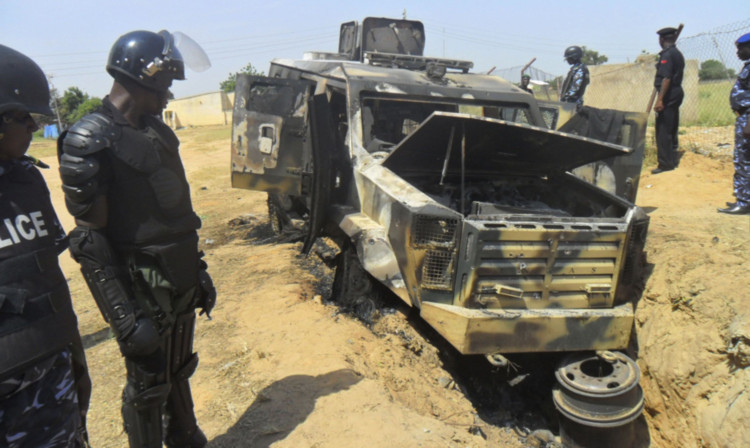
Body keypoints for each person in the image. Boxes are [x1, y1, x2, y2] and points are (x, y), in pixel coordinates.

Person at [58, 30, 215, 447]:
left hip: (176, 274)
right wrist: (124, 318)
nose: (169, 95)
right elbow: (89, 243)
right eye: (165, 84)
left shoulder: (159, 132)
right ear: (140, 78)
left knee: (178, 366)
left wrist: (197, 271)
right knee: (147, 380)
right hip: (139, 280)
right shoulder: (89, 138)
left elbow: (179, 215)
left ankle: (184, 435)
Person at [0, 44, 91, 447]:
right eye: (23, 118)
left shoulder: (26, 180)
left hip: (51, 369)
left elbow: (44, 269)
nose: (33, 129)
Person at [718, 33, 750, 215]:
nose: (738, 52)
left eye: (741, 48)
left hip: (748, 118)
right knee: (744, 159)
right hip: (744, 117)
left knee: (743, 160)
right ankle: (744, 198)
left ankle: (744, 202)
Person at [651, 27, 685, 174]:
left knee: (663, 130)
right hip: (675, 92)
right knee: (671, 127)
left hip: (668, 94)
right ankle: (672, 157)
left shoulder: (668, 55)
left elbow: (666, 78)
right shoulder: (677, 53)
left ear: (662, 39)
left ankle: (665, 164)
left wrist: (660, 100)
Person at [560, 46, 589, 111]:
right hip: (571, 103)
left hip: (574, 104)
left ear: (574, 57)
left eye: (568, 58)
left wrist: (566, 98)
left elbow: (575, 87)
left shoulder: (580, 70)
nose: (567, 60)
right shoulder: (575, 69)